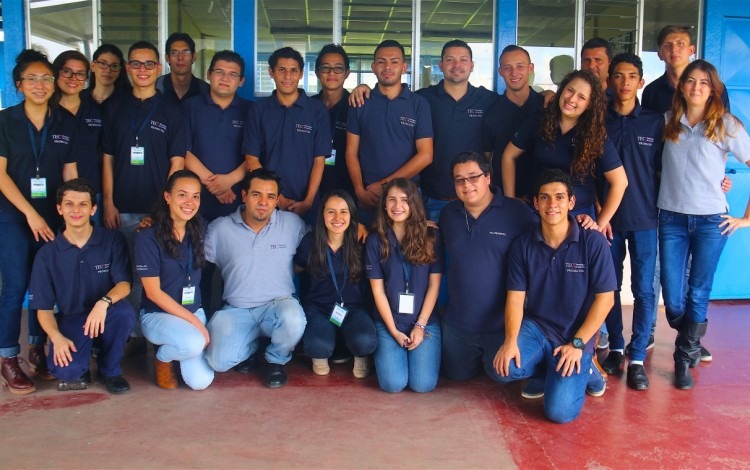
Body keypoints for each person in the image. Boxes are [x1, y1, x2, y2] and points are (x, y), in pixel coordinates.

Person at [492, 169, 616, 424]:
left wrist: (578, 345)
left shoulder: (592, 242)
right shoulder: (523, 245)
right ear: (535, 203)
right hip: (538, 328)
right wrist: (510, 340)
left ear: (571, 202)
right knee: (505, 369)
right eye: (545, 198)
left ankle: (589, 369)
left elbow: (606, 300)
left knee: (559, 413)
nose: (552, 204)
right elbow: (515, 298)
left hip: (576, 335)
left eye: (559, 197)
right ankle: (547, 367)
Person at [659, 60, 750, 390]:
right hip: (671, 217)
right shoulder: (669, 122)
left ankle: (684, 358)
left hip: (712, 221)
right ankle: (693, 337)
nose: (696, 87)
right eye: (690, 81)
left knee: (698, 291)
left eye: (704, 83)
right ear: (681, 86)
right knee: (673, 299)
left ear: (713, 89)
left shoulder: (726, 125)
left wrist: (746, 217)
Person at [0, 49, 78, 394]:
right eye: (32, 79)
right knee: (16, 286)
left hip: (51, 217)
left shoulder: (64, 121)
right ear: (19, 85)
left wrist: (72, 213)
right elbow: (0, 175)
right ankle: (8, 358)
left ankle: (37, 348)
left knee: (44, 286)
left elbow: (69, 173)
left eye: (46, 78)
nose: (40, 84)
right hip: (13, 217)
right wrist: (29, 212)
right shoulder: (5, 121)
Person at [350, 40, 495, 221]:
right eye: (450, 60)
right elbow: (389, 94)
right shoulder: (424, 99)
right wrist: (361, 88)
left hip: (472, 197)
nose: (457, 65)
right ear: (441, 65)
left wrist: (542, 96)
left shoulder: (488, 100)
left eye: (463, 60)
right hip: (430, 197)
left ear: (472, 65)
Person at [101, 40, 188, 310]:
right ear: (127, 68)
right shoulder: (115, 108)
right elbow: (107, 158)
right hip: (121, 210)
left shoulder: (172, 110)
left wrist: (163, 209)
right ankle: (128, 335)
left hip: (157, 211)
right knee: (119, 274)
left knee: (151, 275)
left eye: (149, 63)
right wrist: (108, 202)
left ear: (158, 67)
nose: (143, 69)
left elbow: (177, 163)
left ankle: (149, 332)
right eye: (136, 63)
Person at [29, 179, 135, 393]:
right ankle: (81, 361)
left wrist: (103, 304)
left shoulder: (112, 240)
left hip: (107, 314)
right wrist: (56, 338)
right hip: (73, 319)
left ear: (93, 208)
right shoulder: (47, 254)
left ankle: (110, 370)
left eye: (83, 204)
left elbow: (124, 285)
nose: (76, 210)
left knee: (124, 313)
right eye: (69, 204)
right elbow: (43, 310)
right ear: (59, 209)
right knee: (66, 371)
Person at [205, 168, 308, 388]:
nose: (263, 202)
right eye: (256, 194)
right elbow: (188, 255)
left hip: (278, 306)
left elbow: (325, 237)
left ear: (277, 200)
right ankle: (252, 347)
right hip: (236, 310)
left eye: (271, 196)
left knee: (294, 319)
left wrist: (358, 227)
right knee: (217, 362)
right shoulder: (219, 229)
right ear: (244, 196)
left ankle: (275, 360)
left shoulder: (292, 224)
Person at [439, 152, 537, 382]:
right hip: (459, 325)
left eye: (473, 177)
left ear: (488, 177)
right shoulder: (448, 215)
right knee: (454, 375)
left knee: (505, 374)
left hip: (500, 325)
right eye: (459, 179)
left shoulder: (517, 213)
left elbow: (547, 238)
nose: (467, 185)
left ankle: (540, 366)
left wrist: (585, 221)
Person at [599, 54, 664, 390]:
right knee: (608, 287)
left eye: (632, 77)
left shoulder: (655, 122)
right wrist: (600, 212)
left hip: (644, 219)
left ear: (641, 82)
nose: (625, 82)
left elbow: (670, 168)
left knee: (643, 290)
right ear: (610, 81)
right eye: (619, 76)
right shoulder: (598, 122)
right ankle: (616, 346)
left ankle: (637, 356)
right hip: (608, 222)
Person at [502, 69, 628, 231]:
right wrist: (510, 202)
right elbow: (508, 156)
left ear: (590, 105)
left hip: (579, 216)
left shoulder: (594, 134)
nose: (572, 99)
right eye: (570, 90)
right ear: (561, 90)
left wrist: (600, 224)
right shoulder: (540, 120)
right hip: (538, 213)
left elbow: (620, 182)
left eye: (581, 97)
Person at [135, 170, 214, 390]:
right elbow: (153, 293)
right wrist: (196, 323)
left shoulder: (200, 228)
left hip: (193, 310)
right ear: (167, 197)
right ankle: (163, 357)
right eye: (182, 195)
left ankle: (180, 347)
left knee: (200, 383)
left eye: (196, 196)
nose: (190, 202)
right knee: (193, 342)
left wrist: (195, 319)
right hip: (158, 315)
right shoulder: (147, 236)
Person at [365, 178, 443, 393]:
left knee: (422, 385)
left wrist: (420, 325)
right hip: (390, 321)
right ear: (384, 204)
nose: (397, 206)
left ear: (414, 203)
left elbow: (434, 286)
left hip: (424, 321)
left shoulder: (431, 236)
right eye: (391, 200)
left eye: (404, 200)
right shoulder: (375, 240)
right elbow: (377, 290)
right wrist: (394, 330)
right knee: (393, 384)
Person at [346, 40, 433, 223]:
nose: (387, 67)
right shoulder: (360, 102)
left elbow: (426, 155)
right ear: (373, 67)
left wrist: (386, 185)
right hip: (369, 196)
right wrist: (359, 190)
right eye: (381, 61)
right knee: (367, 248)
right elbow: (351, 152)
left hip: (407, 196)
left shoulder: (418, 104)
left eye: (394, 62)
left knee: (409, 249)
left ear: (404, 67)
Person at [295, 190, 377, 377]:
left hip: (354, 308)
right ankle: (324, 350)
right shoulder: (310, 241)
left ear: (352, 215)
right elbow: (296, 268)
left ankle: (359, 353)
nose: (337, 217)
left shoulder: (362, 240)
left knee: (364, 341)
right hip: (319, 307)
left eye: (344, 211)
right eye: (331, 211)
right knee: (317, 345)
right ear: (322, 214)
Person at [243, 47, 330, 223]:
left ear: (301, 74)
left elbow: (319, 160)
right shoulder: (258, 110)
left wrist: (309, 200)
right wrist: (277, 198)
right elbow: (251, 160)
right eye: (282, 70)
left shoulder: (317, 110)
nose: (288, 76)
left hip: (307, 205)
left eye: (293, 71)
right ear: (271, 72)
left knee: (308, 249)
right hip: (267, 204)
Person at [483, 45, 545, 196]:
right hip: (504, 197)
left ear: (530, 68)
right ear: (500, 72)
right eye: (507, 68)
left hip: (545, 198)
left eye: (520, 66)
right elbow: (488, 158)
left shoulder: (546, 106)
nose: (514, 73)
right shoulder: (491, 112)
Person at [53, 50, 105, 225]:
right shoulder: (48, 112)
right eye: (67, 72)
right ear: (57, 73)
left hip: (92, 192)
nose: (73, 78)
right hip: (55, 193)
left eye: (80, 74)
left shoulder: (96, 110)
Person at [643, 25, 730, 114]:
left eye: (680, 43)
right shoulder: (651, 91)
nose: (674, 49)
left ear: (691, 50)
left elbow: (724, 124)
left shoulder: (714, 87)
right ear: (660, 54)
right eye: (667, 45)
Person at [312, 44, 355, 198]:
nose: (331, 73)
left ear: (347, 73)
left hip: (346, 190)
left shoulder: (356, 106)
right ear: (317, 72)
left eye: (338, 68)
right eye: (325, 68)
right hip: (309, 189)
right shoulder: (307, 107)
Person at [156, 32, 209, 103]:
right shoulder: (156, 87)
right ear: (167, 58)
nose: (180, 57)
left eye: (186, 52)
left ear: (194, 57)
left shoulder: (206, 91)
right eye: (174, 53)